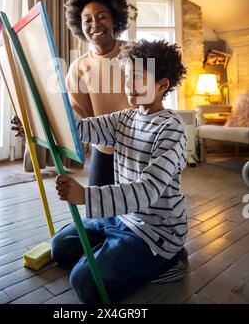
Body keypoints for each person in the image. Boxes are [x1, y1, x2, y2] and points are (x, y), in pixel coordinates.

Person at [51, 39, 188, 304]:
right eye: (127, 77)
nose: (128, 85)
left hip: (155, 232)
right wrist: (43, 116)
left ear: (162, 85)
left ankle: (169, 261)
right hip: (122, 217)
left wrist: (86, 196)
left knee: (84, 282)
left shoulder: (172, 128)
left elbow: (148, 191)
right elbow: (82, 129)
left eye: (138, 77)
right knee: (60, 248)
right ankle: (114, 250)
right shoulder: (125, 117)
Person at [65, 0, 131, 186]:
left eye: (102, 16)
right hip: (103, 150)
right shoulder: (78, 67)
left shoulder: (139, 54)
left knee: (139, 214)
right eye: (88, 20)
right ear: (80, 26)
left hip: (139, 149)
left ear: (114, 20)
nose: (95, 24)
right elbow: (78, 117)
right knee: (99, 212)